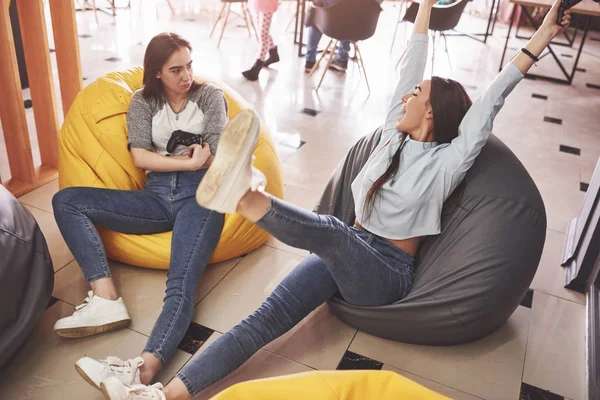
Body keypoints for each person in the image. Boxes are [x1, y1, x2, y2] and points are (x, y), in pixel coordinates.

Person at [91, 0, 572, 398]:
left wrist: (541, 37)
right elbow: (413, 56)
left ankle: (245, 194)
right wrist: (425, 4)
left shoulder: (449, 160)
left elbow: (493, 98)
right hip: (347, 251)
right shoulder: (391, 135)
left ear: (432, 113)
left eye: (416, 96)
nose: (405, 98)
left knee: (335, 233)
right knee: (263, 318)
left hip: (386, 273)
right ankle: (162, 392)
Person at [52, 32, 229, 389]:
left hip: (202, 198)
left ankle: (143, 371)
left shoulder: (210, 96)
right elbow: (139, 156)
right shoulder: (142, 101)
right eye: (175, 69)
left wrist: (187, 162)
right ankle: (105, 297)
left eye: (189, 65)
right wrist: (187, 161)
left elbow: (214, 148)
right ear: (157, 73)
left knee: (180, 286)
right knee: (66, 200)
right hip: (156, 198)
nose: (186, 75)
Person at [304, 0, 383, 73]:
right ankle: (342, 57)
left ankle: (310, 59)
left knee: (316, 11)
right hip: (363, 28)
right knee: (351, 9)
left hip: (332, 26)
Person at [242, 0, 280, 81]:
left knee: (263, 34)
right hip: (258, 2)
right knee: (262, 32)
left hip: (267, 4)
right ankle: (273, 54)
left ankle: (257, 66)